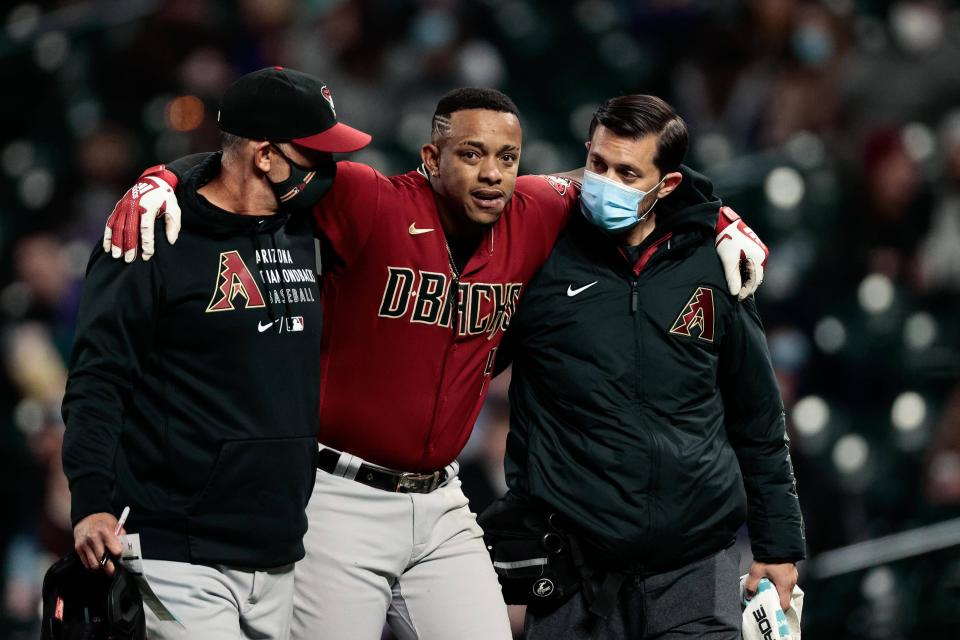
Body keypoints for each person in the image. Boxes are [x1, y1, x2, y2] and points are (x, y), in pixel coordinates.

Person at [101, 78, 770, 640]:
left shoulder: (534, 209)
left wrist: (716, 216)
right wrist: (166, 177)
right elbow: (257, 161)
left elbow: (621, 182)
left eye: (507, 158)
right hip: (338, 498)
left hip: (444, 502)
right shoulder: (368, 200)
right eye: (472, 153)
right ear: (431, 156)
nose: (491, 173)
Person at [61, 67, 370, 639]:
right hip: (177, 550)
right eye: (315, 153)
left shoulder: (308, 225)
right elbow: (98, 378)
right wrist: (90, 502)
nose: (330, 170)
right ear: (264, 155)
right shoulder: (152, 235)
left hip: (280, 547)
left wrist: (167, 173)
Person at [495, 94, 805, 639]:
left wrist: (778, 545)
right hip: (575, 574)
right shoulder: (540, 254)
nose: (604, 182)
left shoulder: (714, 263)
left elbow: (758, 416)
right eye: (597, 164)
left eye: (626, 172)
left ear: (666, 186)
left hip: (697, 569)